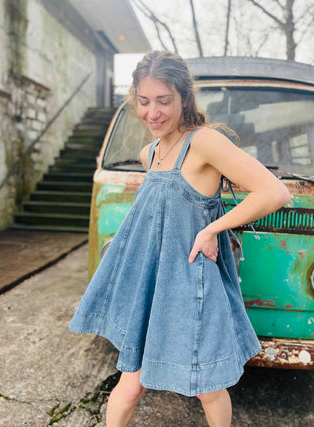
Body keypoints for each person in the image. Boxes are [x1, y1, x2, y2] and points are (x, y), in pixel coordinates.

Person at [69, 50, 291, 427]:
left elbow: (274, 192)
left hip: (191, 283)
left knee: (207, 386)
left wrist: (211, 229)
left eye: (163, 101)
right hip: (152, 287)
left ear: (184, 98)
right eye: (144, 101)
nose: (152, 112)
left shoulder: (204, 142)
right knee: (131, 381)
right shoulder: (149, 153)